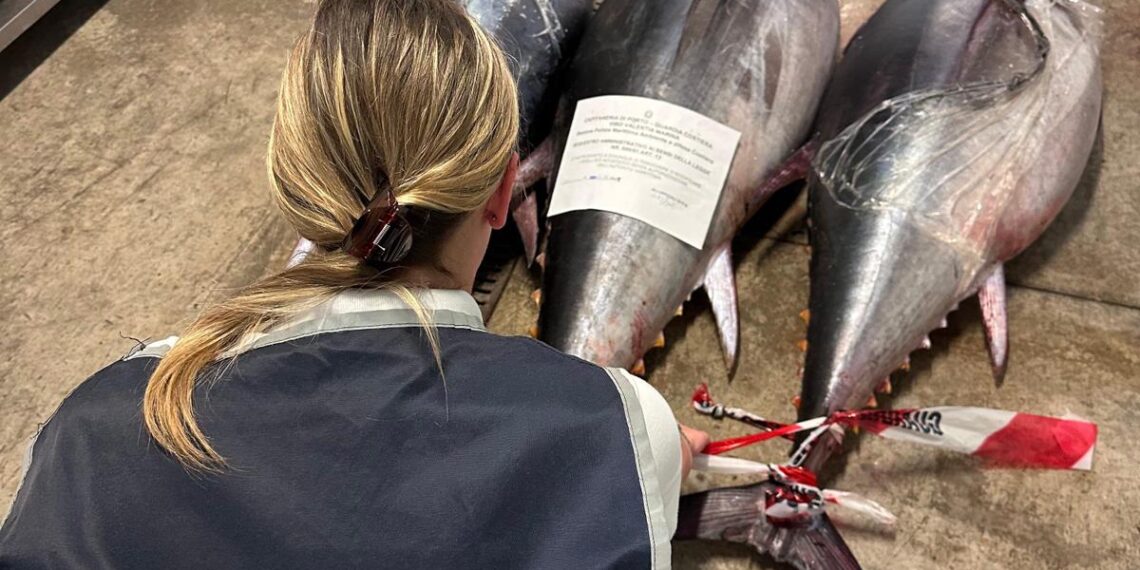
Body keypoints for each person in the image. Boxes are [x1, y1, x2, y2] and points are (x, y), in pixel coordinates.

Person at [0, 1, 708, 568]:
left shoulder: (95, 431)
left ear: (293, 186)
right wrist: (654, 450)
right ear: (501, 195)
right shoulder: (612, 430)